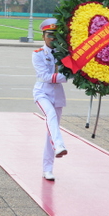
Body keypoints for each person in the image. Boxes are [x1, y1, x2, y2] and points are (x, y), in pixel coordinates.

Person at [32, 18, 68, 181]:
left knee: (50, 131)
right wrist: (65, 76)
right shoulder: (38, 54)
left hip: (57, 95)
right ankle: (59, 145)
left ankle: (48, 169)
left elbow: (70, 73)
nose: (53, 38)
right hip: (42, 93)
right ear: (43, 36)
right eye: (49, 35)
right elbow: (45, 76)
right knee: (50, 116)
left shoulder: (63, 54)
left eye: (55, 35)